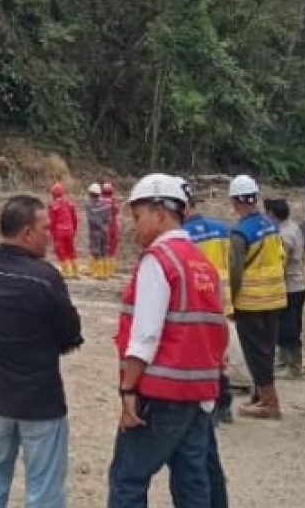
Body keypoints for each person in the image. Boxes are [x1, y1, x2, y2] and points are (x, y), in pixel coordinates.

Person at [108, 173, 229, 508]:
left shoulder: (159, 261)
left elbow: (145, 335)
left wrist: (128, 390)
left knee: (127, 480)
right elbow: (217, 330)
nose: (135, 227)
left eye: (138, 216)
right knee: (192, 483)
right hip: (198, 395)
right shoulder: (201, 263)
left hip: (161, 394)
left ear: (160, 213)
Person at [0, 194, 85, 508]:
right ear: (27, 233)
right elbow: (71, 334)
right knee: (44, 492)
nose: (52, 233)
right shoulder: (45, 278)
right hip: (40, 402)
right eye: (46, 228)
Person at [227, 175, 287, 420]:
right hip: (275, 298)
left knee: (255, 351)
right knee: (268, 349)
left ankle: (270, 403)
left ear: (235, 201)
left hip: (251, 301)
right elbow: (282, 257)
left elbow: (235, 271)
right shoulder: (271, 226)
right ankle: (260, 395)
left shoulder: (240, 233)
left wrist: (229, 301)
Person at [179, 178, 235, 425]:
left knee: (204, 356)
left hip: (201, 301)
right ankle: (225, 405)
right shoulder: (222, 229)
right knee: (221, 355)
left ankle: (209, 408)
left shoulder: (183, 236)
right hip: (224, 299)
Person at [265, 197, 305, 378]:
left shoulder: (284, 235)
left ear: (273, 215)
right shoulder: (291, 227)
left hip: (291, 286)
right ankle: (282, 362)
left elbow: (280, 262)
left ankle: (294, 367)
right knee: (282, 326)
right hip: (294, 285)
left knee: (290, 328)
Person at [49, 182, 80, 278]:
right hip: (70, 230)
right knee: (71, 250)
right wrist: (74, 230)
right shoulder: (70, 203)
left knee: (61, 251)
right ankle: (75, 272)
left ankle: (66, 272)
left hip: (59, 231)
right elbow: (74, 218)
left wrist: (52, 233)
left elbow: (52, 221)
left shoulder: (53, 205)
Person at [85, 184, 111, 279]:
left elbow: (92, 219)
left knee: (96, 251)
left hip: (96, 231)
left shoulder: (89, 204)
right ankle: (105, 273)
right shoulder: (105, 204)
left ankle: (99, 273)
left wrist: (100, 226)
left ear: (90, 193)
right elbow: (108, 217)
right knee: (104, 251)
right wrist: (105, 226)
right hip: (105, 230)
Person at [101, 182, 121, 276]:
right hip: (113, 227)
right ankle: (111, 271)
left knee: (104, 249)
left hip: (104, 227)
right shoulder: (113, 202)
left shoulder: (100, 202)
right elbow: (116, 212)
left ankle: (104, 270)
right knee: (113, 250)